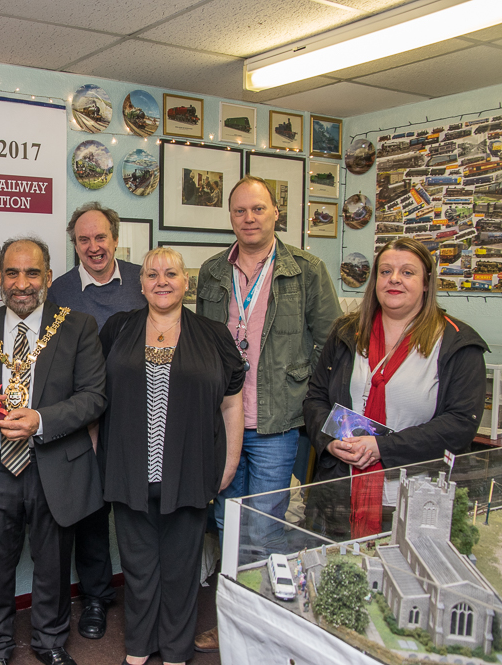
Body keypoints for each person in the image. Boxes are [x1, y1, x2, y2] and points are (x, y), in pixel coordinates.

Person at [194, 175, 341, 651]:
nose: (249, 218)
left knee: (263, 525)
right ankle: (233, 619)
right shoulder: (213, 271)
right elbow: (201, 343)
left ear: (276, 212)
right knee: (226, 522)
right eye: (240, 210)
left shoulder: (307, 269)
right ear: (230, 217)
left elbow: (332, 341)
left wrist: (301, 383)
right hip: (224, 420)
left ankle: (263, 628)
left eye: (258, 209)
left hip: (277, 422)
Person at [0, 237, 106, 665]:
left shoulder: (78, 326)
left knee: (53, 565)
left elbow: (94, 397)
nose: (22, 283)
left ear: (48, 276)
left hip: (55, 464)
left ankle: (50, 642)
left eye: (31, 273)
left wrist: (40, 420)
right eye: (12, 273)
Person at [101, 246, 244, 665]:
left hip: (190, 467)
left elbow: (232, 402)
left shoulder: (213, 334)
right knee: (138, 564)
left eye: (171, 274)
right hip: (129, 468)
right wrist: (98, 453)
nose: (161, 281)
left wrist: (230, 460)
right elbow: (96, 394)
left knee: (182, 566)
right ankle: (139, 646)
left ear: (186, 282)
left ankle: (177, 650)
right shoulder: (118, 328)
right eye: (152, 274)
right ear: (141, 283)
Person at [303, 237, 487, 537]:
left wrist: (382, 448)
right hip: (340, 492)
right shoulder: (346, 332)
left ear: (426, 283)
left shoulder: (458, 343)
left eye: (407, 272)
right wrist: (329, 441)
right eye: (386, 271)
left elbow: (459, 424)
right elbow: (316, 398)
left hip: (414, 499)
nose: (394, 279)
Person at [48, 202, 147, 639]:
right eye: (83, 239)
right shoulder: (60, 291)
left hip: (140, 419)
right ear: (74, 244)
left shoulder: (143, 281)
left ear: (115, 238)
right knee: (90, 513)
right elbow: (51, 360)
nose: (93, 246)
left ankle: (146, 594)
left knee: (140, 509)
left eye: (101, 237)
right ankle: (96, 597)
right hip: (84, 420)